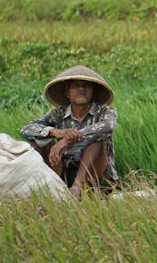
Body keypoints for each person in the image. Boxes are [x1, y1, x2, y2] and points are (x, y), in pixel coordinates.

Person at [20, 65, 118, 199]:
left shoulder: (105, 111)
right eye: (76, 86)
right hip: (65, 173)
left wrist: (66, 141)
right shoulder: (58, 113)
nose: (81, 89)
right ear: (67, 92)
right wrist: (55, 132)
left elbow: (108, 127)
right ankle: (43, 188)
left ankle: (77, 188)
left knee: (96, 139)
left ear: (92, 91)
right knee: (38, 141)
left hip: (96, 176)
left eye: (86, 86)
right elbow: (26, 129)